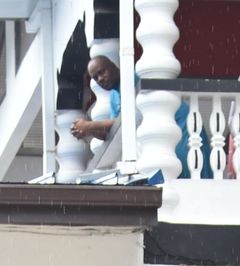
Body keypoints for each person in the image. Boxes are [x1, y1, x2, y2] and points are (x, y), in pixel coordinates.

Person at [70, 53, 210, 180]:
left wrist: (88, 125)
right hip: (161, 131)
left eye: (102, 72)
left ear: (114, 67)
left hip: (178, 124)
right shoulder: (114, 96)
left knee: (184, 170)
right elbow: (116, 133)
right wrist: (88, 131)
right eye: (95, 77)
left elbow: (131, 120)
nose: (100, 79)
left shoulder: (131, 79)